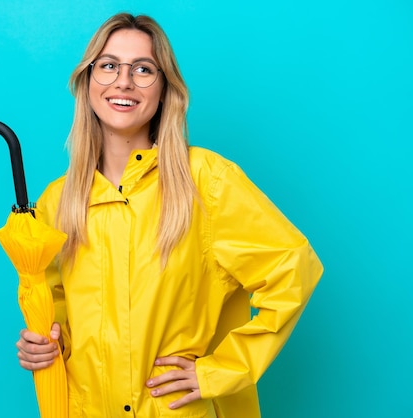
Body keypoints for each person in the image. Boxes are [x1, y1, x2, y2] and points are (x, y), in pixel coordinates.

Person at [16, 13, 323, 417]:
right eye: (108, 66)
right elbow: (58, 317)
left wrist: (222, 370)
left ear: (164, 89)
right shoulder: (58, 201)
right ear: (88, 81)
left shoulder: (207, 182)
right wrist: (44, 345)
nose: (123, 81)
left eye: (143, 69)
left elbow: (292, 268)